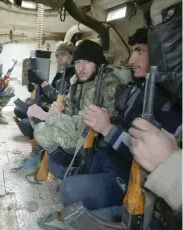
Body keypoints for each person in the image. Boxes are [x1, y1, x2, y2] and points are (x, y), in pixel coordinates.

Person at [59, 28, 182, 212]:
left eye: (140, 51)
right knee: (64, 167)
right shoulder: (137, 88)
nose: (131, 60)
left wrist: (108, 129)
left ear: (160, 54)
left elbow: (149, 158)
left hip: (130, 177)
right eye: (133, 51)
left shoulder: (168, 104)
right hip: (110, 157)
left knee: (68, 189)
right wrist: (111, 119)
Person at [28, 40, 120, 182]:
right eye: (77, 62)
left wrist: (47, 116)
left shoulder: (106, 85)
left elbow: (84, 126)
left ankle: (74, 169)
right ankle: (67, 167)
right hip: (77, 135)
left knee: (42, 129)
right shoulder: (77, 82)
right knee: (40, 129)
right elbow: (71, 111)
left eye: (87, 62)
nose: (81, 68)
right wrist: (60, 111)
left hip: (95, 145)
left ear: (98, 63)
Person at [14, 41, 75, 139]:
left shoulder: (74, 76)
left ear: (73, 55)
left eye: (63, 55)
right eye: (57, 56)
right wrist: (35, 85)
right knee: (18, 110)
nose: (59, 59)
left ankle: (36, 126)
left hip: (59, 116)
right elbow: (49, 93)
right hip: (49, 108)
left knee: (24, 125)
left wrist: (41, 82)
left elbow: (59, 97)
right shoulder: (61, 73)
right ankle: (32, 119)